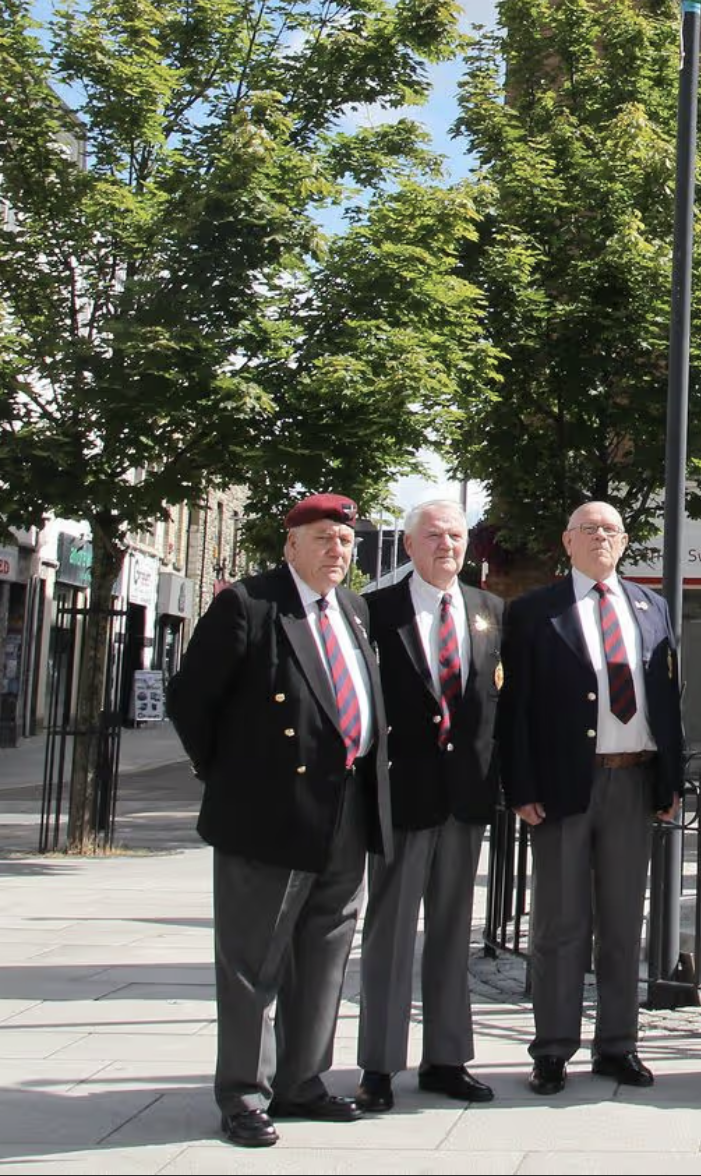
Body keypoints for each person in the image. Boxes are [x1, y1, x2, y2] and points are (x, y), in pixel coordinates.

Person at [165, 492, 392, 1149]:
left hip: (347, 808)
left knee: (324, 954)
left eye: (346, 542)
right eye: (322, 538)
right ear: (289, 543)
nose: (336, 551)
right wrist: (230, 775)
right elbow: (191, 700)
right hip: (268, 814)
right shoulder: (250, 603)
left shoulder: (353, 608)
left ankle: (303, 1081)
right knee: (253, 961)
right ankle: (243, 1093)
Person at [499, 502, 684, 1097]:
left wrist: (670, 780)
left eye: (610, 530)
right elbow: (515, 708)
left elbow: (667, 700)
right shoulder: (534, 612)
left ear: (625, 542)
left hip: (633, 781)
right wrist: (521, 786)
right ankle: (552, 1048)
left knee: (625, 922)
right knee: (559, 924)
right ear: (567, 540)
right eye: (588, 529)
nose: (600, 537)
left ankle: (617, 1045)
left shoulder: (650, 607)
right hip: (563, 787)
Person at [355, 498, 503, 1112]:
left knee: (450, 933)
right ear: (410, 546)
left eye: (457, 536)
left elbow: (498, 710)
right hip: (403, 795)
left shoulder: (489, 612)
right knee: (389, 933)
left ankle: (446, 1058)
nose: (448, 546)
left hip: (464, 800)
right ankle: (379, 1066)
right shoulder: (374, 612)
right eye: (435, 536)